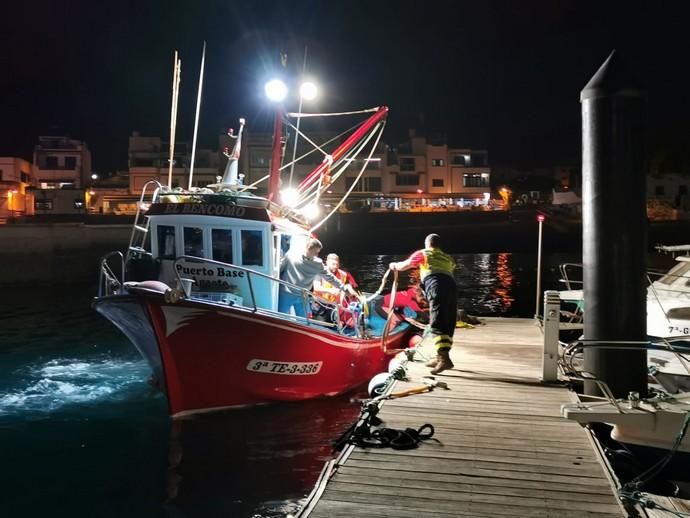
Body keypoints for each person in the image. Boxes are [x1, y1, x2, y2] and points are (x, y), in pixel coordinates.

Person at [389, 233, 457, 374]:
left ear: (428, 244)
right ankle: (440, 356)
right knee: (448, 320)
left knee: (437, 321)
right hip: (451, 287)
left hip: (436, 286)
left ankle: (444, 359)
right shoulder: (448, 257)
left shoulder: (424, 253)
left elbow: (406, 265)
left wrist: (394, 265)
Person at [279, 239, 355, 317]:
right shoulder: (291, 255)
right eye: (316, 252)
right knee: (280, 317)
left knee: (303, 321)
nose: (317, 254)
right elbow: (280, 269)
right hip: (287, 293)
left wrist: (343, 289)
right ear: (308, 248)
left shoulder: (317, 263)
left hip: (302, 295)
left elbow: (330, 277)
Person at [312, 253, 359, 322]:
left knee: (333, 323)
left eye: (337, 264)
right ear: (327, 262)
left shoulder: (343, 274)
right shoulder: (320, 272)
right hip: (320, 304)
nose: (335, 266)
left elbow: (345, 288)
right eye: (333, 264)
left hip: (334, 305)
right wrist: (330, 290)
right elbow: (316, 288)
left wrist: (351, 294)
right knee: (321, 324)